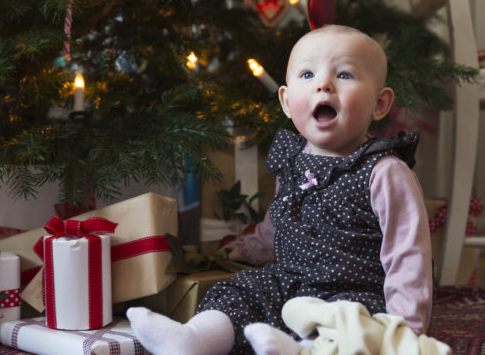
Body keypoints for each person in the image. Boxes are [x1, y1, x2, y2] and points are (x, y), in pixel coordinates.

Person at [127, 24, 433, 355]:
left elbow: (408, 253)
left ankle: (302, 350)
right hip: (290, 283)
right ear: (287, 102)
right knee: (242, 291)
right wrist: (250, 247)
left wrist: (406, 328)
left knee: (352, 327)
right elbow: (282, 221)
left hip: (351, 293)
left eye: (344, 75)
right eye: (307, 75)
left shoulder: (384, 171)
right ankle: (195, 338)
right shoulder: (291, 161)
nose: (323, 85)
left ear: (380, 103)